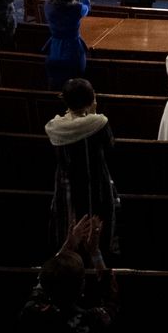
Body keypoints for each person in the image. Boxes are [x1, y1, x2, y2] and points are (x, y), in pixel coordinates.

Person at [20, 217, 123, 333]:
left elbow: (43, 279)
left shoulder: (31, 313)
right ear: (82, 288)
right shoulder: (95, 320)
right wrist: (95, 251)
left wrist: (67, 246)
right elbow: (111, 293)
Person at [47, 78, 119, 257]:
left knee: (69, 216)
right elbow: (110, 147)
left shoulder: (55, 127)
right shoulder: (99, 123)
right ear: (91, 100)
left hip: (67, 184)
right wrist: (93, 113)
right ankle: (99, 250)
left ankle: (69, 251)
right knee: (99, 218)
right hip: (96, 184)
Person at [42, 0, 91, 87]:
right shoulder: (77, 9)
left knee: (56, 84)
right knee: (76, 84)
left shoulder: (48, 6)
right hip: (73, 52)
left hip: (54, 50)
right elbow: (87, 6)